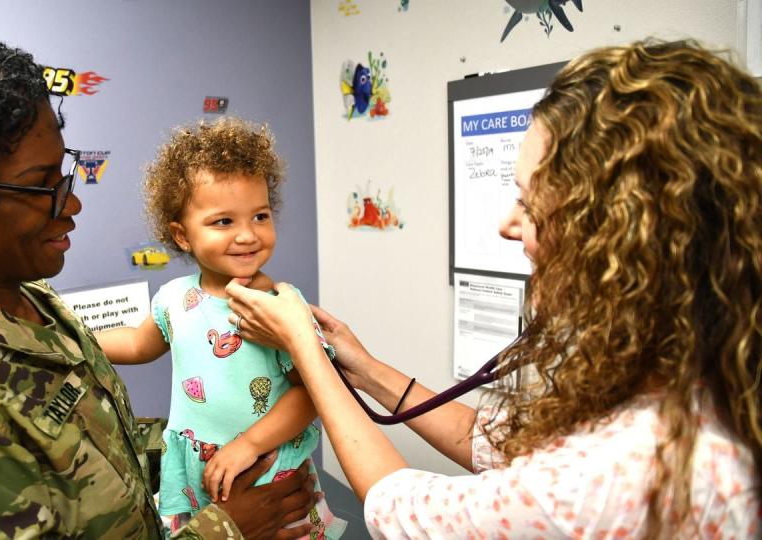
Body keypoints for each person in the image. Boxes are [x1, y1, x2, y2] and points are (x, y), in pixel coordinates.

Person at [225, 40, 761, 538]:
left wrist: (304, 349)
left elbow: (398, 505)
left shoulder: (629, 468)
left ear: (619, 233)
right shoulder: (698, 373)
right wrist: (363, 368)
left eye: (528, 202)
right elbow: (501, 444)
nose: (507, 224)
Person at [0, 36, 318, 539]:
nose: (71, 204)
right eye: (40, 184)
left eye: (65, 172)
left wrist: (200, 455)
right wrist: (226, 529)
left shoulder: (31, 302)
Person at [96, 118, 346, 538]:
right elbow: (138, 344)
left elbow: (312, 393)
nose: (248, 235)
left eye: (260, 216)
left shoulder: (281, 306)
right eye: (224, 222)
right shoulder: (174, 297)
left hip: (265, 470)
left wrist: (248, 445)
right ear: (182, 235)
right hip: (198, 475)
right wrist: (75, 338)